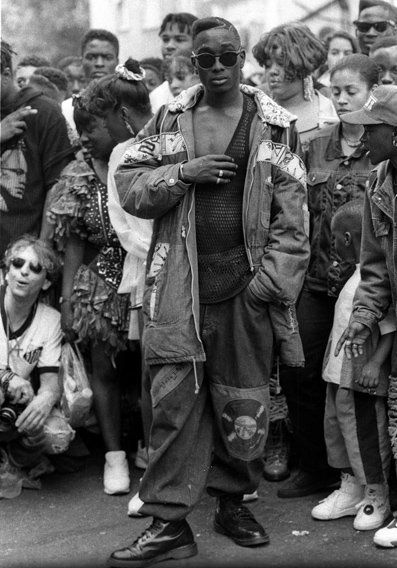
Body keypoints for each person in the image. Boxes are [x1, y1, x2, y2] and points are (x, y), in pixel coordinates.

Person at [108, 16, 309, 566]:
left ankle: (233, 502)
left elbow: (293, 218)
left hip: (246, 287)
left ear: (243, 56)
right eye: (205, 59)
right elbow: (129, 187)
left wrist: (268, 284)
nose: (217, 67)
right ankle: (170, 523)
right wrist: (182, 175)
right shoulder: (170, 117)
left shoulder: (276, 125)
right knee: (173, 401)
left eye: (227, 56)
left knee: (243, 400)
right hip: (178, 282)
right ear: (188, 62)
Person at [277, 54, 379, 499]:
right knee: (299, 368)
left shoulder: (384, 144)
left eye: (351, 90)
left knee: (354, 382)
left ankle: (364, 479)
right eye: (335, 91)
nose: (340, 100)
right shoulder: (313, 144)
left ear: (374, 91)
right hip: (316, 279)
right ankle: (314, 466)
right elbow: (292, 210)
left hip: (364, 283)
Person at [47, 85, 130, 496]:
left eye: (90, 127)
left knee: (151, 374)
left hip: (145, 274)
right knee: (104, 371)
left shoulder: (138, 160)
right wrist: (66, 302)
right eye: (78, 128)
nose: (83, 136)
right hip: (99, 283)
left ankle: (154, 450)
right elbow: (74, 243)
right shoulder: (77, 175)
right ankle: (114, 457)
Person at [335, 84, 397, 548]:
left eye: (372, 129)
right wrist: (364, 315)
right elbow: (374, 266)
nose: (362, 137)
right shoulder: (380, 181)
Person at [86, 58, 154, 473]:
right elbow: (123, 222)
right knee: (152, 368)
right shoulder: (120, 157)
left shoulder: (174, 136)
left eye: (104, 120)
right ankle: (159, 463)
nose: (104, 131)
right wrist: (158, 255)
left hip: (193, 265)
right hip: (148, 270)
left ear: (123, 114)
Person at [311, 201, 393, 531]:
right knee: (337, 432)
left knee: (365, 437)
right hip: (337, 376)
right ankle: (350, 487)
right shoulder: (353, 276)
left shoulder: (374, 281)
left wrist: (375, 363)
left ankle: (377, 494)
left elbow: (388, 326)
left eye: (333, 239)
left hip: (360, 378)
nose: (332, 246)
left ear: (347, 238)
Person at [0, 235, 74, 488]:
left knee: (58, 435)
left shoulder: (50, 320)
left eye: (35, 268)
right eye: (17, 263)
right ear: (6, 271)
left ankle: (12, 461)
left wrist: (45, 399)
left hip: (16, 410)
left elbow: (50, 383)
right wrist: (7, 378)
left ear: (46, 283)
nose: (24, 272)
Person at [0, 40, 74, 260]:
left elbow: (57, 185)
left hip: (25, 254)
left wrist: (42, 246)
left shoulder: (44, 112)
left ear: (6, 74)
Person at [252, 22, 339, 151]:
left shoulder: (329, 113)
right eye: (268, 65)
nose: (273, 71)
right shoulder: (256, 111)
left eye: (281, 64)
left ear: (302, 66)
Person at [149, 12, 197, 113]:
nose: (169, 45)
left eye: (179, 40)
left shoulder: (212, 88)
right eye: (165, 39)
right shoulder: (157, 97)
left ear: (197, 44)